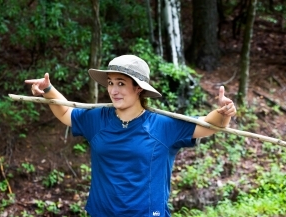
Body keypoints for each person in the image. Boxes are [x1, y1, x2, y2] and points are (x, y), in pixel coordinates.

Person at [25, 55, 236, 217]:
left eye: (121, 83)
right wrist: (49, 90)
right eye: (110, 83)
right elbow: (64, 112)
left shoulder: (163, 125)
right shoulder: (98, 119)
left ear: (138, 88)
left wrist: (223, 113)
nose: (113, 90)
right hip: (101, 212)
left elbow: (209, 125)